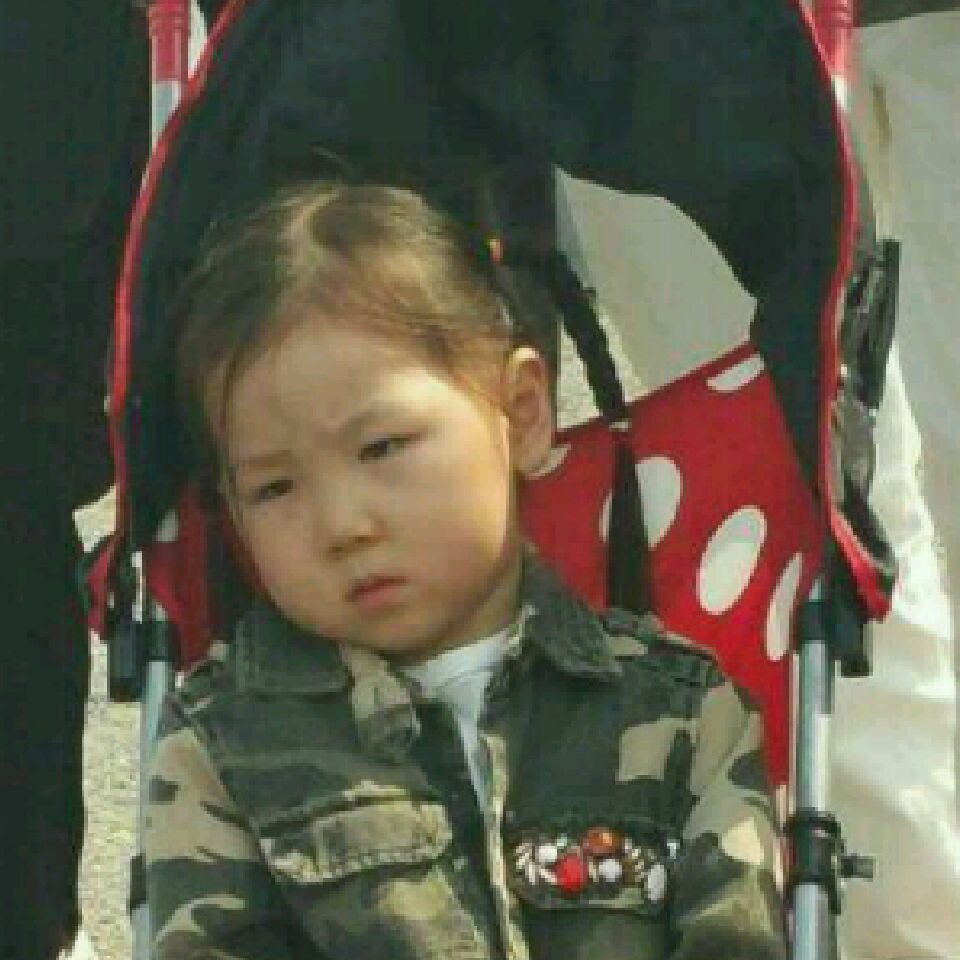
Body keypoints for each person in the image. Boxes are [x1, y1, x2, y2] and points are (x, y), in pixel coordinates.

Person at [143, 182, 786, 960]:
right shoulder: (223, 745)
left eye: (383, 448)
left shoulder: (681, 714)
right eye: (275, 487)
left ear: (520, 413)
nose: (342, 525)